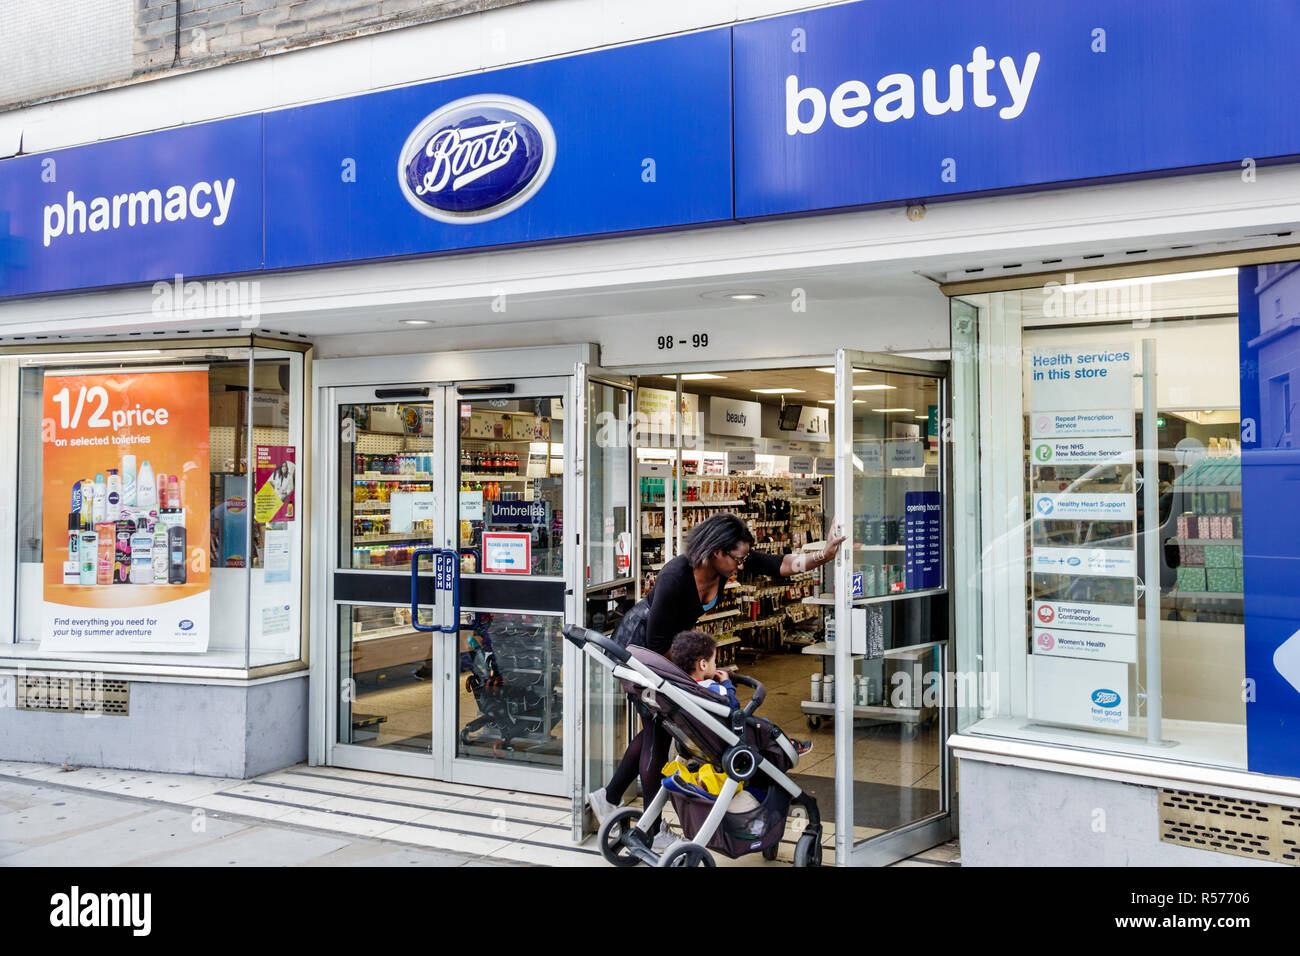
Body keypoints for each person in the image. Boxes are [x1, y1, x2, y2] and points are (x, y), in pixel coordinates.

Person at [587, 512, 844, 849]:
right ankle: (651, 830)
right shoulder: (675, 576)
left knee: (656, 729)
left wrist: (823, 554)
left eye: (742, 558)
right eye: (736, 558)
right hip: (642, 649)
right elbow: (656, 645)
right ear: (716, 552)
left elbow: (780, 564)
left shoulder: (730, 562)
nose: (740, 565)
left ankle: (608, 797)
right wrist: (695, 679)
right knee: (658, 733)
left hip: (669, 651)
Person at [669, 629, 813, 754]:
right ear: (703, 664)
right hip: (726, 737)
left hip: (701, 738)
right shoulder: (714, 689)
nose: (716, 664)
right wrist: (727, 684)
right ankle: (786, 746)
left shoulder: (681, 687)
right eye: (714, 661)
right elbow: (733, 708)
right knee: (763, 724)